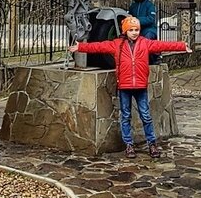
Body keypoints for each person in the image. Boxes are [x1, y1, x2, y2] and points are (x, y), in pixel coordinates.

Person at [71, 15, 189, 159]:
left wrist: (182, 46)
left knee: (146, 116)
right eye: (131, 29)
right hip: (125, 87)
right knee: (125, 116)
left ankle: (152, 144)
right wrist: (80, 47)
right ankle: (129, 145)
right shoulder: (116, 44)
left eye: (137, 29)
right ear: (125, 30)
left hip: (140, 86)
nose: (134, 32)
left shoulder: (145, 43)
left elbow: (162, 45)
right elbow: (98, 46)